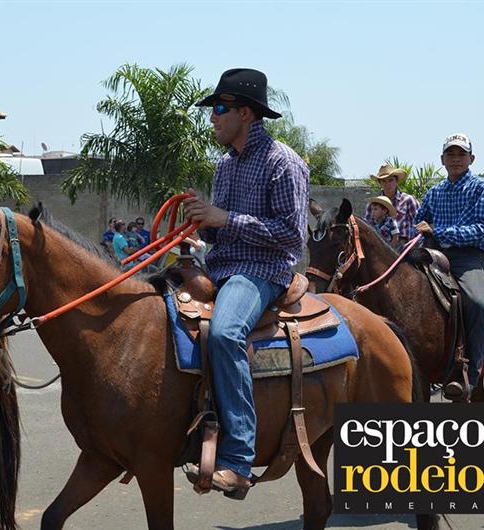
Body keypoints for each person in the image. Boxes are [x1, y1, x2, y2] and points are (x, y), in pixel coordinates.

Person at [183, 68, 309, 497]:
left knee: (224, 333)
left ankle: (237, 459)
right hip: (219, 266)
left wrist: (225, 218)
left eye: (220, 108)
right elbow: (220, 230)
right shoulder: (224, 165)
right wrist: (204, 219)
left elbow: (292, 235)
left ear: (247, 114)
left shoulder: (283, 162)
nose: (212, 117)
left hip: (261, 272)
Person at [414, 133, 484, 401]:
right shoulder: (434, 192)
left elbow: (483, 229)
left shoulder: (481, 188)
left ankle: (471, 375)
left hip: (467, 257)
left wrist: (439, 231)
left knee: (475, 302)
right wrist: (418, 232)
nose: (456, 159)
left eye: (461, 154)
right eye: (450, 154)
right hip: (433, 254)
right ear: (442, 159)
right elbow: (419, 222)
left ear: (471, 159)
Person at [365, 164, 419, 245]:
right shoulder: (372, 205)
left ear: (396, 181)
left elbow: (418, 224)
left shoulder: (408, 200)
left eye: (390, 180)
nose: (387, 184)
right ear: (380, 183)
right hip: (379, 245)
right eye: (384, 181)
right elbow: (367, 228)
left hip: (404, 244)